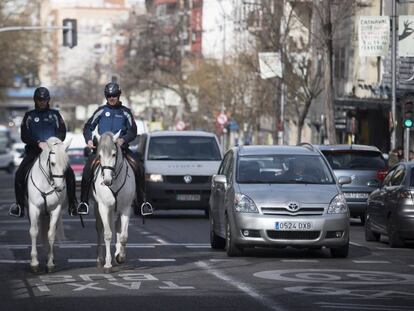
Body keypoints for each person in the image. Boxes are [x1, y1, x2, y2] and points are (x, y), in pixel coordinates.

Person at [9, 87, 77, 217]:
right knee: (19, 174)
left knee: (69, 172)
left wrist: (52, 143)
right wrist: (38, 143)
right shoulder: (29, 116)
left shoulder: (55, 115)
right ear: (35, 100)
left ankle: (73, 204)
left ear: (48, 100)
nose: (42, 102)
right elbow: (24, 135)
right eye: (39, 99)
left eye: (44, 99)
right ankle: (19, 206)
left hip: (53, 152)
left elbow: (62, 132)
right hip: (34, 152)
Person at [77, 82, 142, 215]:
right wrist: (89, 139)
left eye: (114, 95)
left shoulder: (125, 112)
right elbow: (88, 126)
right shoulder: (100, 111)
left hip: (121, 149)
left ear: (119, 95)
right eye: (109, 95)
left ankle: (142, 201)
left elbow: (133, 130)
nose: (112, 98)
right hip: (101, 151)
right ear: (106, 96)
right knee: (87, 170)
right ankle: (83, 202)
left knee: (139, 166)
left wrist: (123, 139)